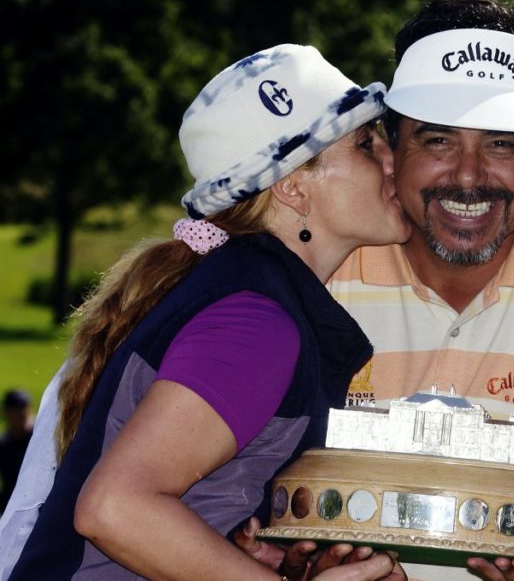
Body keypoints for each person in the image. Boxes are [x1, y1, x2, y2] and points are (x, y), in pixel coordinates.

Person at [5, 44, 410, 581]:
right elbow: (114, 508)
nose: (391, 159)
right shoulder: (257, 323)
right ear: (292, 187)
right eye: (365, 143)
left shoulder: (244, 289)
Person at [324, 0, 514, 581]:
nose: (467, 174)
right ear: (389, 147)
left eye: (502, 144)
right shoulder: (323, 283)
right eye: (437, 141)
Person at [0, 390, 34, 513]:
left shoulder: (40, 439)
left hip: (37, 501)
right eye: (16, 409)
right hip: (11, 503)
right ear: (7, 412)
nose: (21, 413)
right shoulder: (4, 445)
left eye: (23, 407)